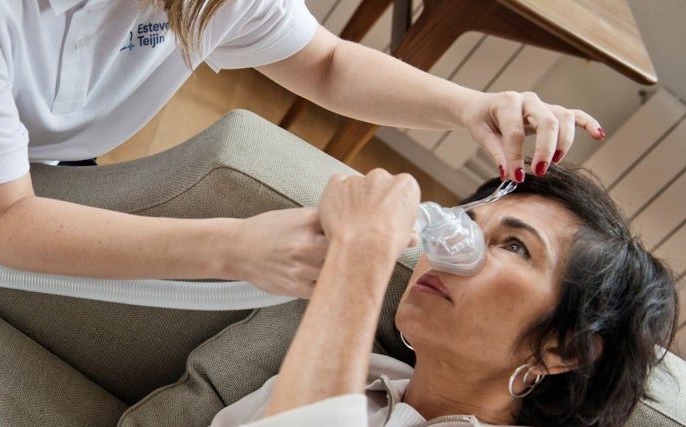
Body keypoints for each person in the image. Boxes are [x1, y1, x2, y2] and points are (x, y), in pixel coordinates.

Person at [0, 1, 603, 297]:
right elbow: (8, 223)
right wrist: (232, 248)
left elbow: (326, 63)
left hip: (35, 165)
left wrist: (468, 106)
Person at [209, 164, 679, 427]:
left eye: (515, 246)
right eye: (469, 225)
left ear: (562, 348)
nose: (451, 248)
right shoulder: (358, 374)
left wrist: (361, 256)